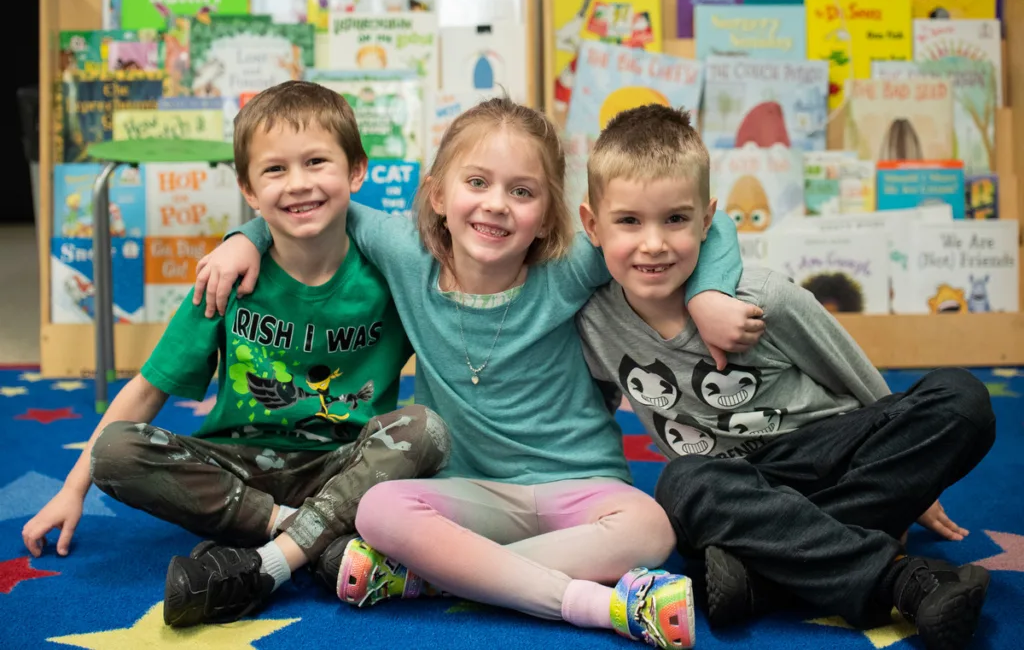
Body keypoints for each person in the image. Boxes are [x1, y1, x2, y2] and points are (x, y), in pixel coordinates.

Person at [193, 97, 764, 649]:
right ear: (438, 194)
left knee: (653, 528)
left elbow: (712, 226)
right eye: (477, 183)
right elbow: (315, 208)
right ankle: (592, 602)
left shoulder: (567, 266)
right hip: (469, 496)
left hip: (582, 488)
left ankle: (438, 579)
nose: (496, 204)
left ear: (548, 216)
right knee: (379, 509)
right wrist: (245, 237)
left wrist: (709, 295)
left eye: (522, 192)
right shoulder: (404, 252)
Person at [21, 81, 452, 629]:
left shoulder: (393, 275)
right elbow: (148, 390)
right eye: (275, 171)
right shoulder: (224, 278)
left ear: (356, 171)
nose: (298, 184)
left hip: (342, 464)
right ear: (248, 189)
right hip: (240, 469)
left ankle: (267, 556)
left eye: (317, 162)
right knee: (112, 449)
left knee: (424, 429)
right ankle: (318, 538)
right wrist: (71, 489)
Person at [573, 104, 995, 650]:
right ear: (592, 225)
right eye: (629, 221)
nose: (653, 243)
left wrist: (913, 479)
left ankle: (763, 575)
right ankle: (899, 580)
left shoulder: (764, 296)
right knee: (680, 485)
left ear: (707, 220)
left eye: (675, 219)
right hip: (735, 488)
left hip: (834, 456)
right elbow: (592, 415)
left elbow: (863, 383)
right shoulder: (594, 323)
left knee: (963, 399)